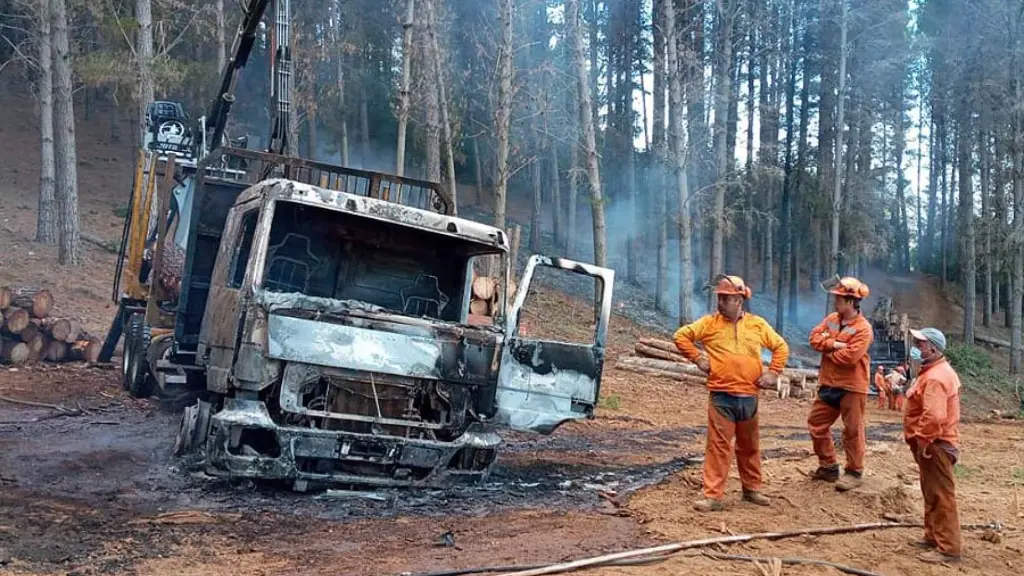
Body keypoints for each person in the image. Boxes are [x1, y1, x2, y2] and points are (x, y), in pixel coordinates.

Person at [673, 274, 790, 512]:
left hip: (749, 395)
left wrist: (773, 372)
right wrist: (697, 358)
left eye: (726, 298)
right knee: (718, 446)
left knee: (750, 445)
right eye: (720, 297)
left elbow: (780, 346)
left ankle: (752, 489)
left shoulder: (757, 324)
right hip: (721, 395)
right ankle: (713, 495)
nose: (720, 301)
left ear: (739, 299)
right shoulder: (709, 323)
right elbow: (680, 336)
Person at [806, 275, 875, 491]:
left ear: (851, 302)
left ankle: (854, 471)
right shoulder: (831, 320)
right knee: (816, 424)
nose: (835, 301)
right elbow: (813, 339)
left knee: (852, 429)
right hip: (829, 383)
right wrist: (835, 344)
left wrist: (829, 349)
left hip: (852, 386)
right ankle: (828, 467)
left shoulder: (864, 329)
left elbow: (850, 358)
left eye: (839, 298)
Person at [904, 327, 962, 563]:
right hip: (932, 443)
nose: (916, 348)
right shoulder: (932, 372)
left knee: (940, 496)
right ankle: (932, 536)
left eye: (920, 344)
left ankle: (949, 549)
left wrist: (923, 441)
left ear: (934, 349)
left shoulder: (936, 378)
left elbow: (934, 416)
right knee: (931, 491)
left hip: (935, 444)